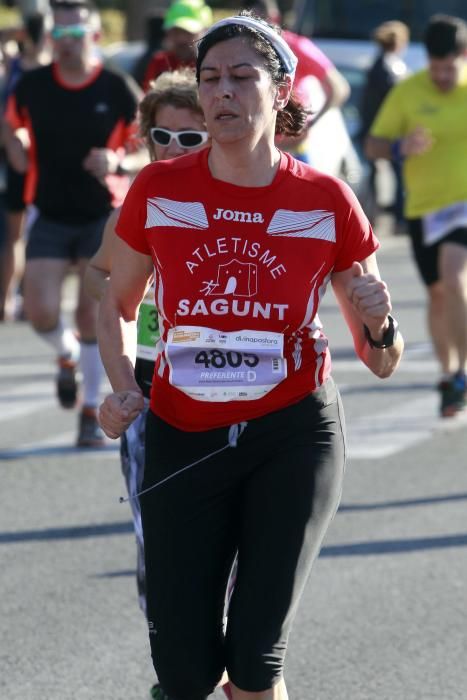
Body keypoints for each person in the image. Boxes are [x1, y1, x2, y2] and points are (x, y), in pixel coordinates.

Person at [98, 11, 403, 700]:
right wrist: (121, 388)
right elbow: (111, 303)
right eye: (210, 79)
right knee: (183, 675)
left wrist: (379, 324)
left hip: (292, 433)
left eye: (242, 77)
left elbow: (381, 359)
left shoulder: (324, 199)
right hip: (182, 431)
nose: (222, 94)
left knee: (256, 658)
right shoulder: (161, 188)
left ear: (281, 88)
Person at [84, 68, 230, 700]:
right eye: (160, 138)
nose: (171, 151)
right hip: (153, 393)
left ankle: (226, 660)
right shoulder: (135, 204)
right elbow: (102, 284)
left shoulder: (242, 200)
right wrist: (120, 385)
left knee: (233, 544)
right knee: (159, 542)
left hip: (233, 393)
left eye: (189, 138)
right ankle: (184, 670)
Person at [2, 0, 143, 447]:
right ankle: (66, 358)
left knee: (89, 313)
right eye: (58, 36)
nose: (66, 44)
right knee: (41, 310)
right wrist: (17, 149)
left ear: (94, 36)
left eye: (75, 35)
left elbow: (148, 146)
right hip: (49, 209)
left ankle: (88, 408)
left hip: (101, 214)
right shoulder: (34, 85)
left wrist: (119, 159)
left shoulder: (117, 86)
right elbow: (10, 124)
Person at [365, 14, 467, 418]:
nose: (443, 76)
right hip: (424, 209)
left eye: (451, 68)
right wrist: (398, 147)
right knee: (438, 293)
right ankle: (448, 373)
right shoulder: (408, 92)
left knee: (454, 272)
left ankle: (463, 371)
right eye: (437, 68)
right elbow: (372, 144)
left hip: (465, 205)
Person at [242, 0, 350, 163]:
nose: (258, 29)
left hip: (291, 149)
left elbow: (339, 88)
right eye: (252, 23)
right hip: (251, 148)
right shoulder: (239, 49)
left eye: (262, 20)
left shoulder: (295, 46)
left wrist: (308, 126)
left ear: (275, 17)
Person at [0, 11, 51, 322]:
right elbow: (7, 118)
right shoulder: (14, 68)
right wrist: (15, 149)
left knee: (37, 235)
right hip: (20, 162)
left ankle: (26, 298)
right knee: (14, 235)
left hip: (48, 164)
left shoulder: (52, 69)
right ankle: (7, 299)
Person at [359, 20, 409, 228]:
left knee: (376, 175)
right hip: (386, 131)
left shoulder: (376, 65)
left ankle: (374, 216)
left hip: (372, 129)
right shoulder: (392, 68)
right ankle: (398, 217)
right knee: (398, 173)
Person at [141, 0, 213, 92]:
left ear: (205, 32)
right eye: (176, 32)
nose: (181, 39)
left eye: (188, 33)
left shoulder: (213, 64)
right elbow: (147, 100)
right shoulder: (159, 62)